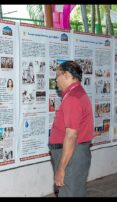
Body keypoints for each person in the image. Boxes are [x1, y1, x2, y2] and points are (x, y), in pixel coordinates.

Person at [49, 61, 94, 197]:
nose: (56, 79)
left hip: (71, 155)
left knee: (70, 193)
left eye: (57, 75)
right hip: (74, 153)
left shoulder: (73, 98)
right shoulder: (76, 93)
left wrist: (61, 169)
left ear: (67, 75)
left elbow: (71, 136)